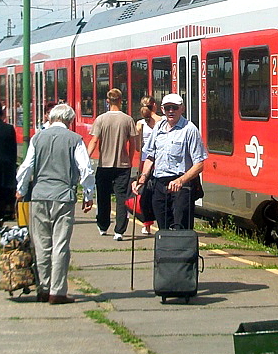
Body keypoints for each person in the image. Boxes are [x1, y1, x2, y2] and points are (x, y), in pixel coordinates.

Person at [15, 103, 95, 304]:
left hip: (39, 195)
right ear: (70, 121)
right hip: (63, 196)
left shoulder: (37, 138)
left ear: (50, 118)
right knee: (60, 244)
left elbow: (27, 167)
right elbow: (85, 169)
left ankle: (43, 288)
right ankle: (57, 291)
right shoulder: (75, 140)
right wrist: (88, 195)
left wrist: (21, 190)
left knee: (41, 244)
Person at [132, 93, 206, 231]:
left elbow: (199, 163)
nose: (171, 111)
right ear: (162, 109)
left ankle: (182, 251)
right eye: (167, 108)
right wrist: (142, 178)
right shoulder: (158, 128)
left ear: (182, 108)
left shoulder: (189, 129)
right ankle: (166, 252)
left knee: (181, 227)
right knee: (163, 227)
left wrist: (181, 181)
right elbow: (150, 156)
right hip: (159, 184)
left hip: (181, 186)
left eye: (174, 107)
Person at [87, 88, 141, 240]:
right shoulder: (127, 119)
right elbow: (132, 144)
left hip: (104, 165)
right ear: (121, 100)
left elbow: (94, 140)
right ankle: (119, 231)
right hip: (123, 166)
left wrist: (85, 158)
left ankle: (103, 226)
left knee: (103, 197)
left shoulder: (101, 119)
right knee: (121, 198)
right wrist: (129, 160)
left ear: (107, 101)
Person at [135, 95, 163, 235]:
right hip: (161, 162)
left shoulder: (140, 124)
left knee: (145, 194)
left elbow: (138, 148)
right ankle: (163, 223)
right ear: (155, 106)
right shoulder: (163, 122)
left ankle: (146, 225)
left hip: (145, 162)